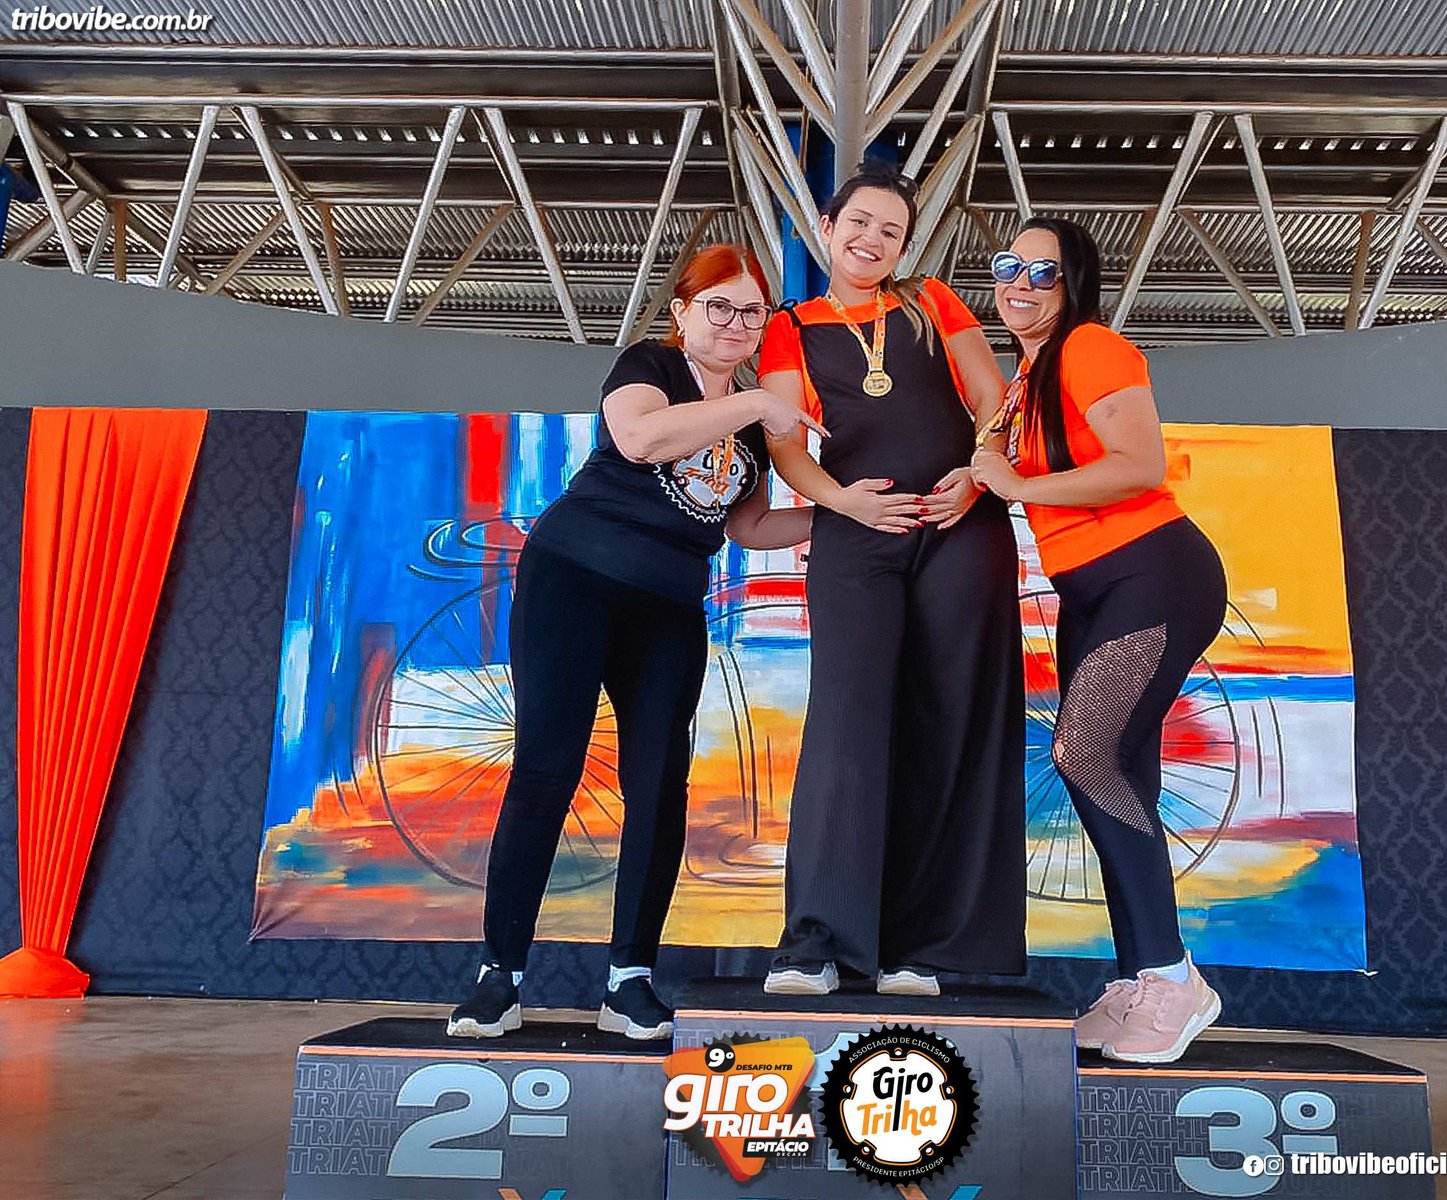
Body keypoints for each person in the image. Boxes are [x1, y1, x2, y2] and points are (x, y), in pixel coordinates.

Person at [448, 245, 817, 1039]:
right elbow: (642, 439)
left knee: (659, 786)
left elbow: (748, 526)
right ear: (682, 312)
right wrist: (757, 404)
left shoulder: (751, 424)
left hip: (668, 609)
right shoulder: (651, 366)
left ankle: (629, 980)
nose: (735, 323)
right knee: (546, 769)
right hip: (572, 580)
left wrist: (838, 517)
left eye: (751, 311)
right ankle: (499, 976)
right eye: (718, 306)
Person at [758, 162, 1026, 999]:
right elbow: (785, 445)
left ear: (906, 245)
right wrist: (841, 501)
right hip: (855, 534)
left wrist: (977, 477)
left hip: (960, 529)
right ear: (827, 227)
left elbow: (995, 401)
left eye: (891, 231)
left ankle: (921, 947)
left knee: (948, 722)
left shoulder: (932, 301)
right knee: (847, 724)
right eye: (859, 223)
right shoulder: (789, 327)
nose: (872, 240)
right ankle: (815, 943)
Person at [970, 218, 1227, 1064]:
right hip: (1089, 589)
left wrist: (1017, 483)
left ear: (1073, 283)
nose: (1021, 283)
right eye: (1009, 266)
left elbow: (1140, 463)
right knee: (1118, 775)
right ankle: (1139, 977)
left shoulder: (1089, 346)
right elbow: (989, 464)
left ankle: (1172, 979)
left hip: (1152, 572)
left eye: (1043, 272)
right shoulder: (1028, 377)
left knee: (1083, 754)